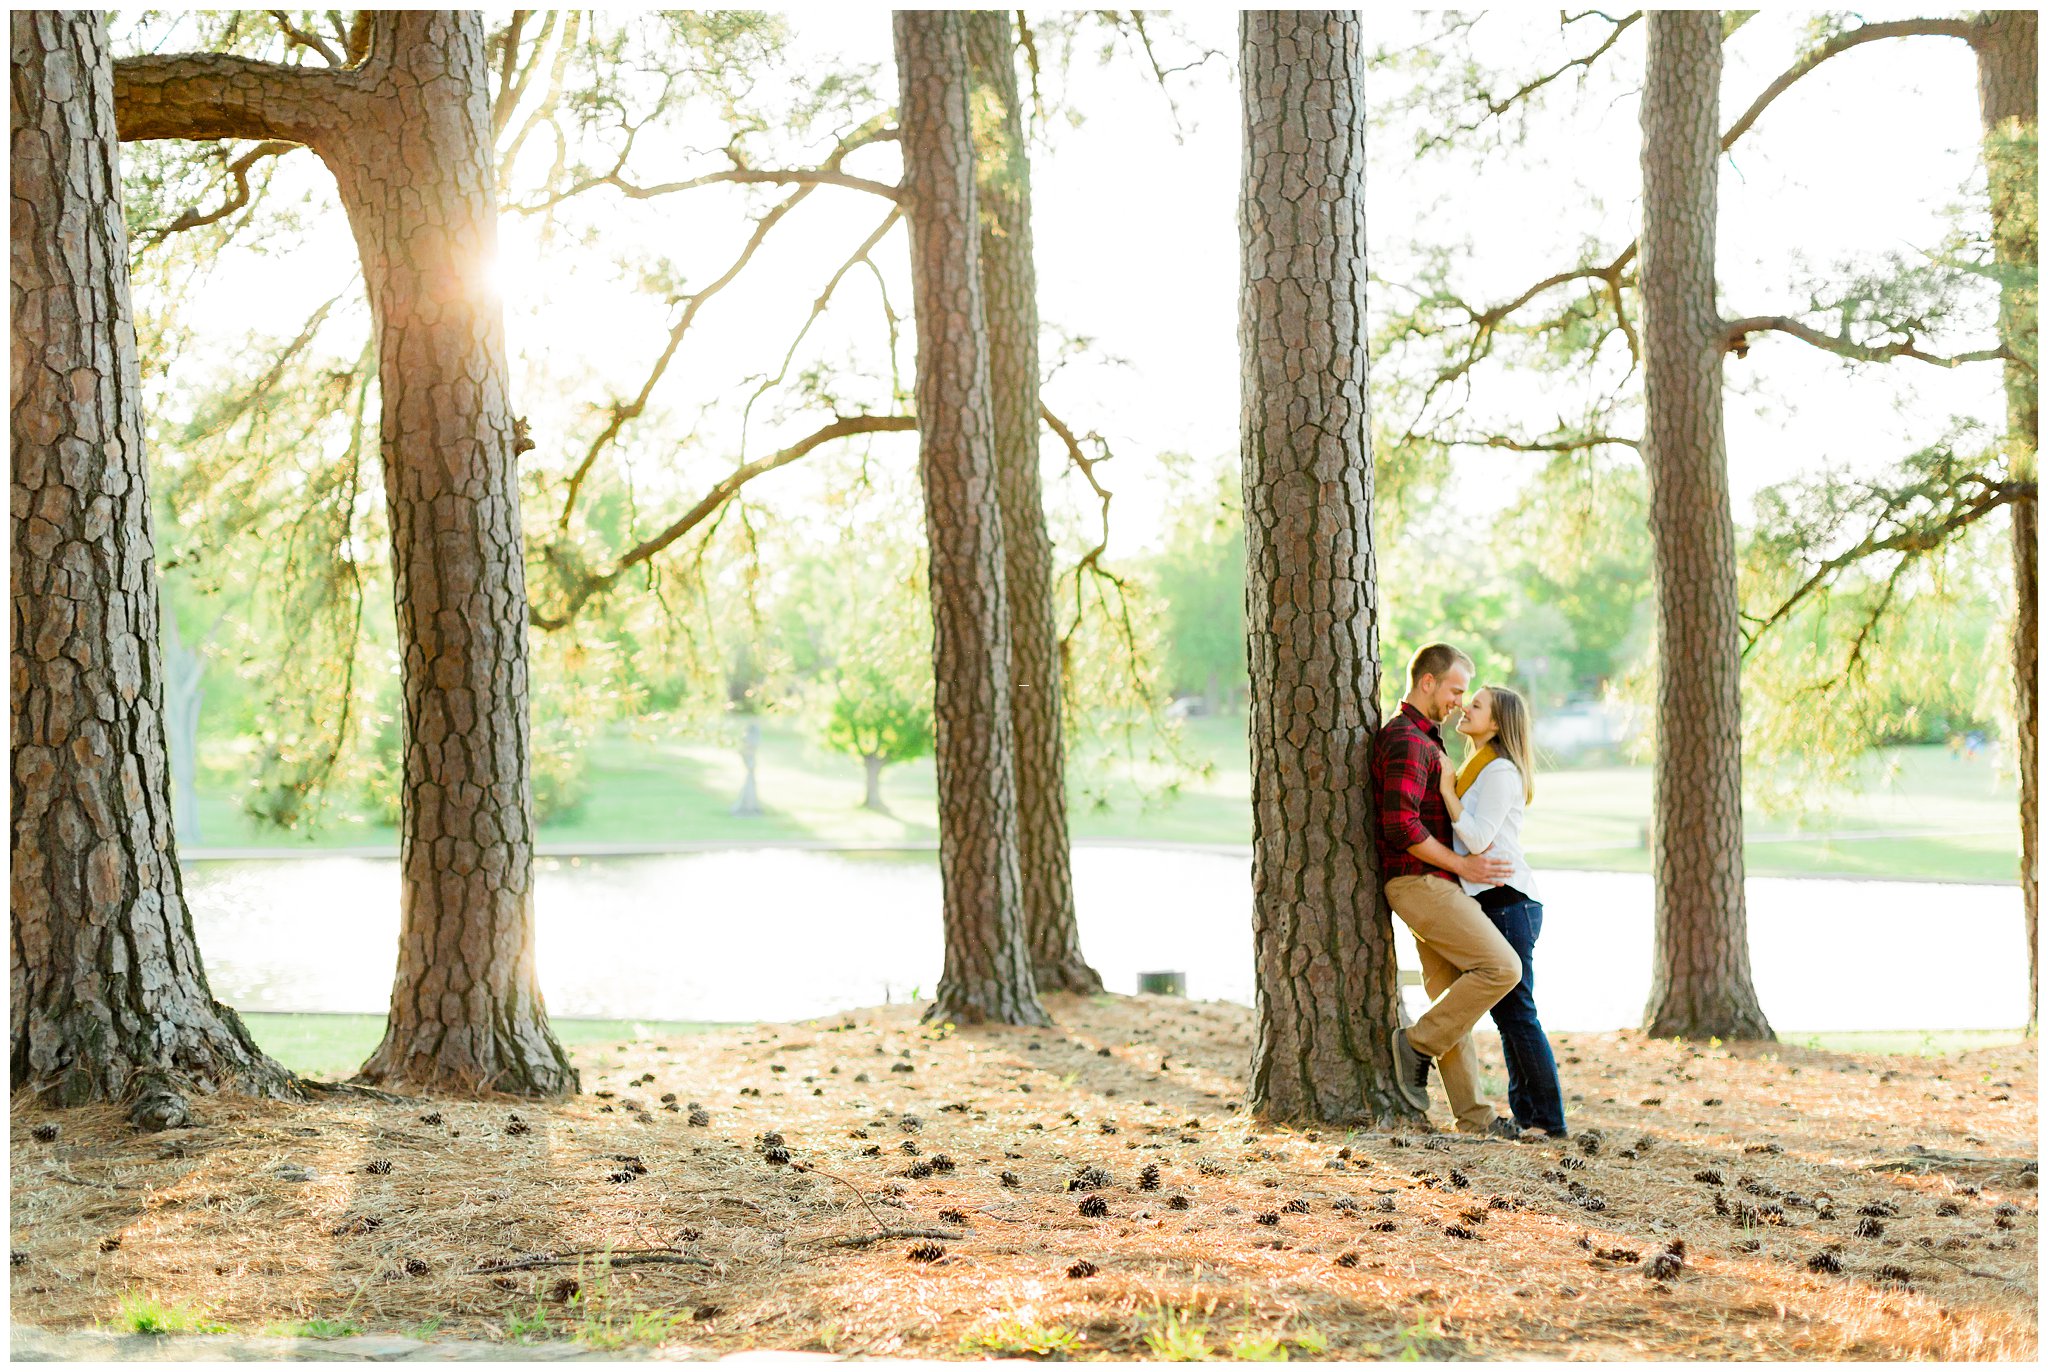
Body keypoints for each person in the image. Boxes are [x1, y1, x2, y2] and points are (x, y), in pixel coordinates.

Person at [1373, 643, 1520, 1129]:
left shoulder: (1427, 737)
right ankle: (1415, 1044)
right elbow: (1400, 826)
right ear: (1428, 682)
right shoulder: (1408, 740)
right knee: (1502, 967)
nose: (1460, 700)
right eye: (1456, 690)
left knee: (1452, 997)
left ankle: (1474, 1118)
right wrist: (1463, 864)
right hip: (1420, 884)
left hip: (1432, 884)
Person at [1437, 684, 1567, 1139]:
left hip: (1510, 903)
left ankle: (1549, 1121)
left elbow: (1476, 838)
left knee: (1517, 1014)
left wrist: (1444, 791)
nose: (1464, 708)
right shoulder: (1479, 766)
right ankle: (1530, 1116)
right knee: (1510, 1014)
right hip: (1495, 901)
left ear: (1496, 723)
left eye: (1476, 705)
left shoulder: (1499, 773)